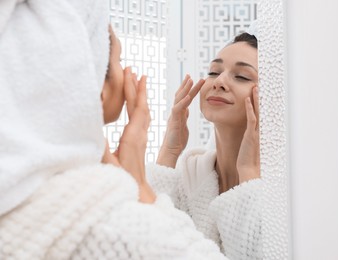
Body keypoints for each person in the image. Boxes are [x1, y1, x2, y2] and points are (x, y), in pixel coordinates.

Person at [0, 1, 230, 259]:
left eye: (242, 76)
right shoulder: (114, 229)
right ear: (85, 81)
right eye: (117, 60)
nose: (220, 82)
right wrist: (141, 184)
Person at [146, 32, 262, 259]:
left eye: (241, 76)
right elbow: (147, 240)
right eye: (213, 72)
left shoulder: (284, 187)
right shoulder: (192, 174)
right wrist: (169, 152)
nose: (219, 82)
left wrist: (248, 172)